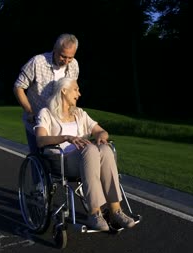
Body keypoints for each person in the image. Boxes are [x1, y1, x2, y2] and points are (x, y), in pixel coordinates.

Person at [34, 77, 136, 231]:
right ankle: (94, 213)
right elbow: (40, 140)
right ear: (64, 91)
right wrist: (67, 138)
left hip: (88, 157)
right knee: (90, 149)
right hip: (62, 161)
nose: (79, 93)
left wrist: (101, 137)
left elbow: (101, 131)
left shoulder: (80, 113)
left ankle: (116, 211)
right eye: (76, 89)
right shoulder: (46, 113)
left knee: (106, 149)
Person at [13, 33, 80, 154]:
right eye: (63, 56)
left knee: (63, 159)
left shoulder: (74, 65)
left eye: (70, 57)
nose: (66, 61)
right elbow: (18, 87)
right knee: (39, 158)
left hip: (60, 122)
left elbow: (72, 91)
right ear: (55, 49)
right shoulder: (37, 62)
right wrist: (29, 112)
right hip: (37, 120)